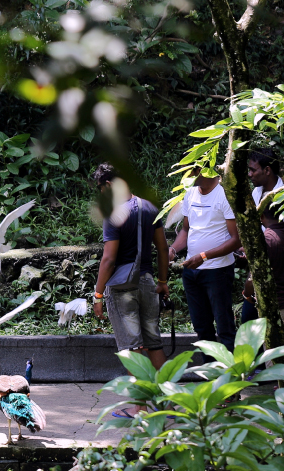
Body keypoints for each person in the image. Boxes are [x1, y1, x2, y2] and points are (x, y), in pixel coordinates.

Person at [90, 163, 170, 419]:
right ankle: (169, 406)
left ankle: (140, 408)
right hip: (147, 282)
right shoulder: (149, 208)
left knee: (132, 348)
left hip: (122, 287)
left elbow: (108, 260)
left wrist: (98, 294)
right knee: (154, 344)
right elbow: (163, 248)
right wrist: (163, 281)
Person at [168, 167, 241, 357]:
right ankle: (210, 375)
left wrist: (204, 256)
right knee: (201, 326)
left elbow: (236, 239)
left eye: (192, 171)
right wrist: (173, 249)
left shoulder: (224, 195)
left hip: (218, 270)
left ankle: (230, 377)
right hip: (192, 271)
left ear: (204, 170)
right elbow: (185, 229)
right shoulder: (190, 193)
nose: (188, 175)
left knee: (224, 324)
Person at [241, 148, 284, 324]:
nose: (250, 174)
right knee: (249, 320)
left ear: (267, 170)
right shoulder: (256, 193)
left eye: (253, 170)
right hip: (258, 264)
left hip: (280, 269)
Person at [242, 203, 284, 326]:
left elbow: (252, 280)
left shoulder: (264, 241)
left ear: (261, 215)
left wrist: (247, 295)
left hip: (276, 312)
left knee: (276, 346)